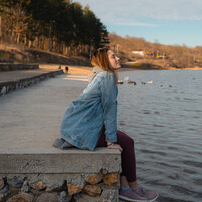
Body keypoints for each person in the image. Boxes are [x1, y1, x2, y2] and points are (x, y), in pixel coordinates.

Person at [53, 47, 158, 202]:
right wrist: (110, 140)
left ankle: (126, 186)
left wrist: (112, 136)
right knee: (128, 142)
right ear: (104, 60)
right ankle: (133, 188)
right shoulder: (107, 78)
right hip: (81, 132)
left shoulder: (97, 74)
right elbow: (110, 110)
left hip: (73, 128)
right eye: (113, 56)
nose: (118, 59)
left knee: (122, 139)